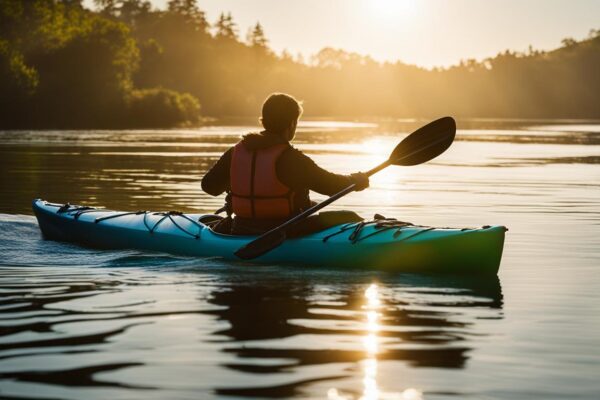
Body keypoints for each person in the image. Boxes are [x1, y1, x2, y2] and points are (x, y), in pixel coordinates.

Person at [201, 93, 369, 235]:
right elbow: (332, 187)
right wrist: (356, 180)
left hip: (242, 227)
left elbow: (209, 186)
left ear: (264, 121)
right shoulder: (291, 159)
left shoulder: (235, 152)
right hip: (287, 230)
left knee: (313, 206)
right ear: (291, 124)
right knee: (350, 216)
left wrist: (238, 182)